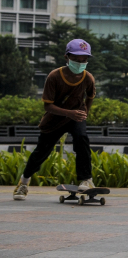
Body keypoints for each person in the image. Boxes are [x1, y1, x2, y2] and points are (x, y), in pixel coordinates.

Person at [13, 39, 96, 201]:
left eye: (84, 60)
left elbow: (90, 96)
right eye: (76, 60)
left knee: (82, 139)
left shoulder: (88, 78)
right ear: (67, 58)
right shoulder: (54, 76)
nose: (80, 63)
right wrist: (69, 113)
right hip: (54, 119)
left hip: (75, 117)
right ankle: (24, 182)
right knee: (41, 152)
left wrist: (85, 111)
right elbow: (48, 106)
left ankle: (86, 179)